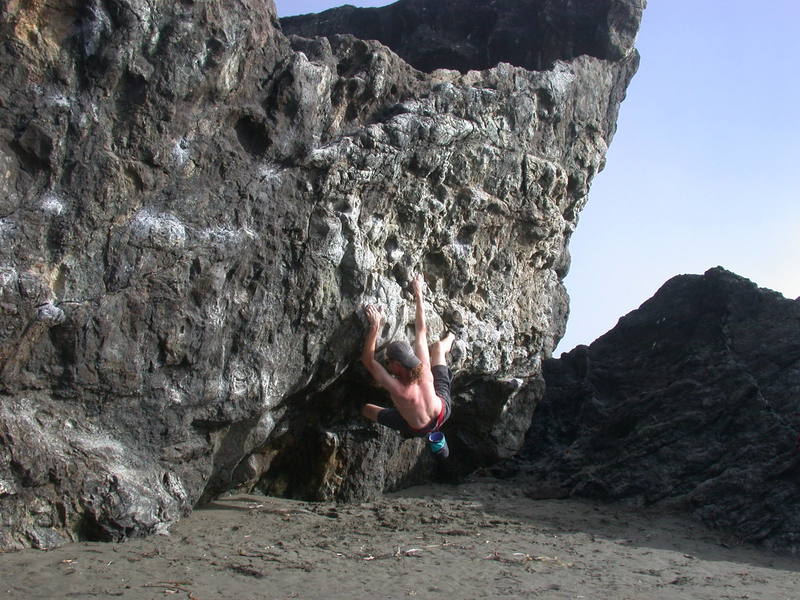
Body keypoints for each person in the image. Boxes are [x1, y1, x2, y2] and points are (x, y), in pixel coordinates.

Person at [361, 274, 455, 438]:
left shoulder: (398, 390)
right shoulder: (423, 368)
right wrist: (418, 293)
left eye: (388, 362)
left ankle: (453, 335)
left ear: (397, 365)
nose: (387, 363)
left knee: (366, 409)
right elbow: (421, 331)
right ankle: (453, 336)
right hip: (442, 411)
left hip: (417, 427)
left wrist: (375, 326)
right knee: (438, 348)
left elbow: (368, 361)